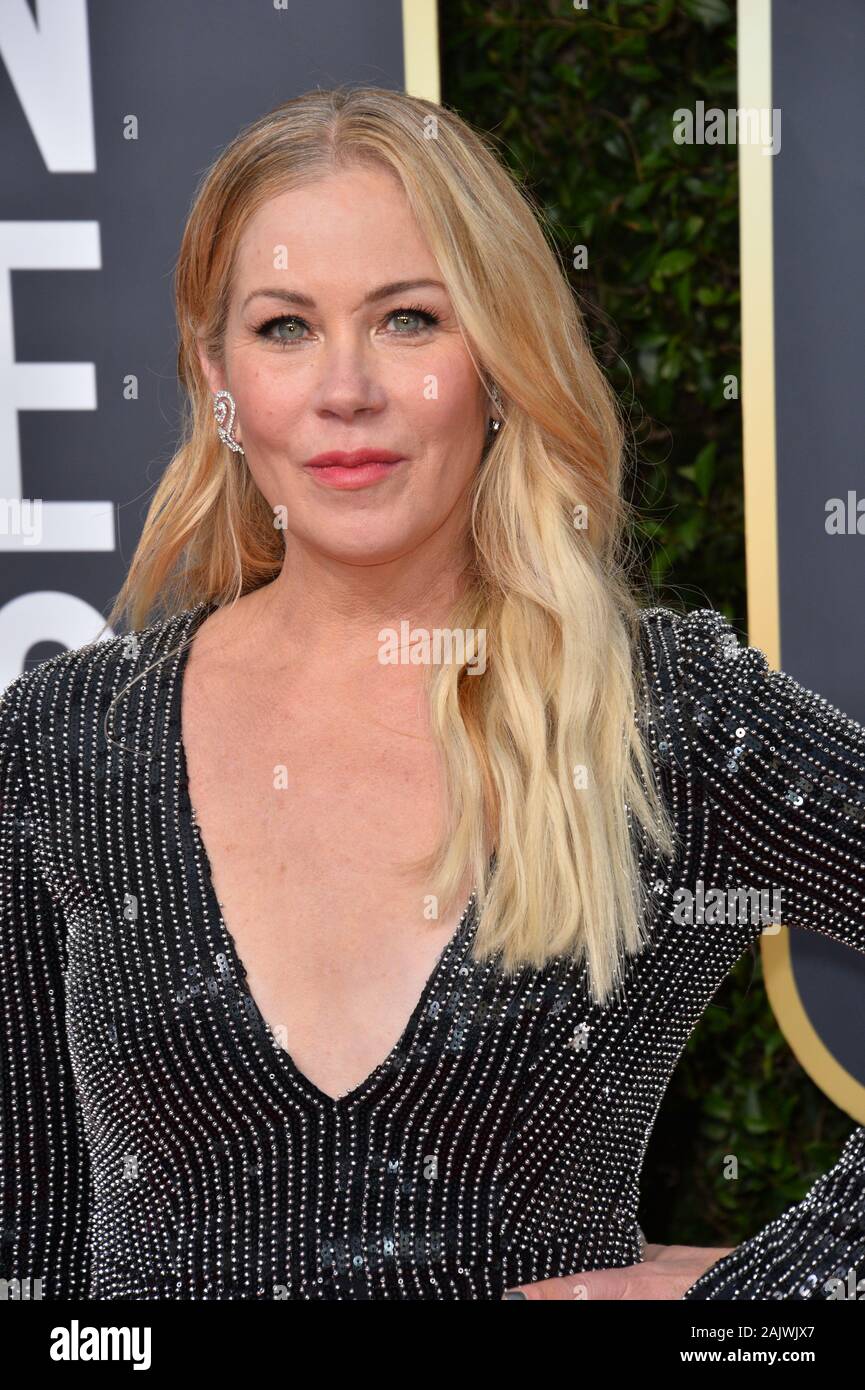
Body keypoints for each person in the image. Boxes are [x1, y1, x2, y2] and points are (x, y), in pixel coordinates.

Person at [1, 85, 863, 1302]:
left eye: (408, 319)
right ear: (217, 379)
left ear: (501, 362)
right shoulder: (62, 740)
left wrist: (759, 1296)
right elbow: (25, 1236)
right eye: (285, 328)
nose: (345, 388)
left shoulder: (662, 718)